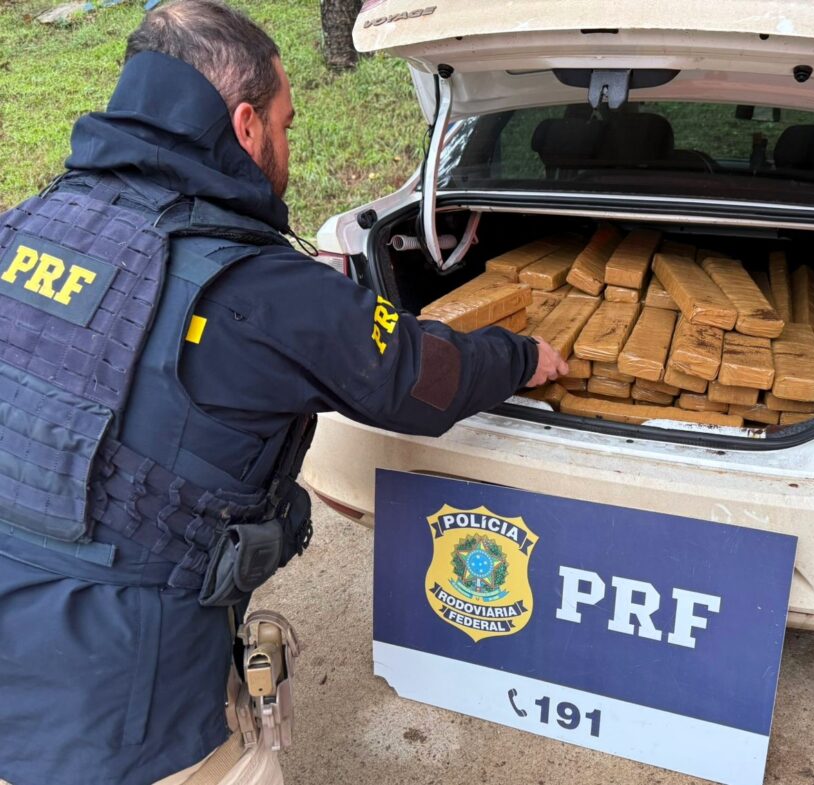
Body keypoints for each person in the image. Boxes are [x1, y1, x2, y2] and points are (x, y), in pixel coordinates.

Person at [0, 2, 567, 785]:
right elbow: (417, 377)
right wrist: (522, 355)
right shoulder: (267, 294)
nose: (290, 145)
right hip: (123, 723)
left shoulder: (23, 225)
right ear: (245, 126)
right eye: (287, 124)